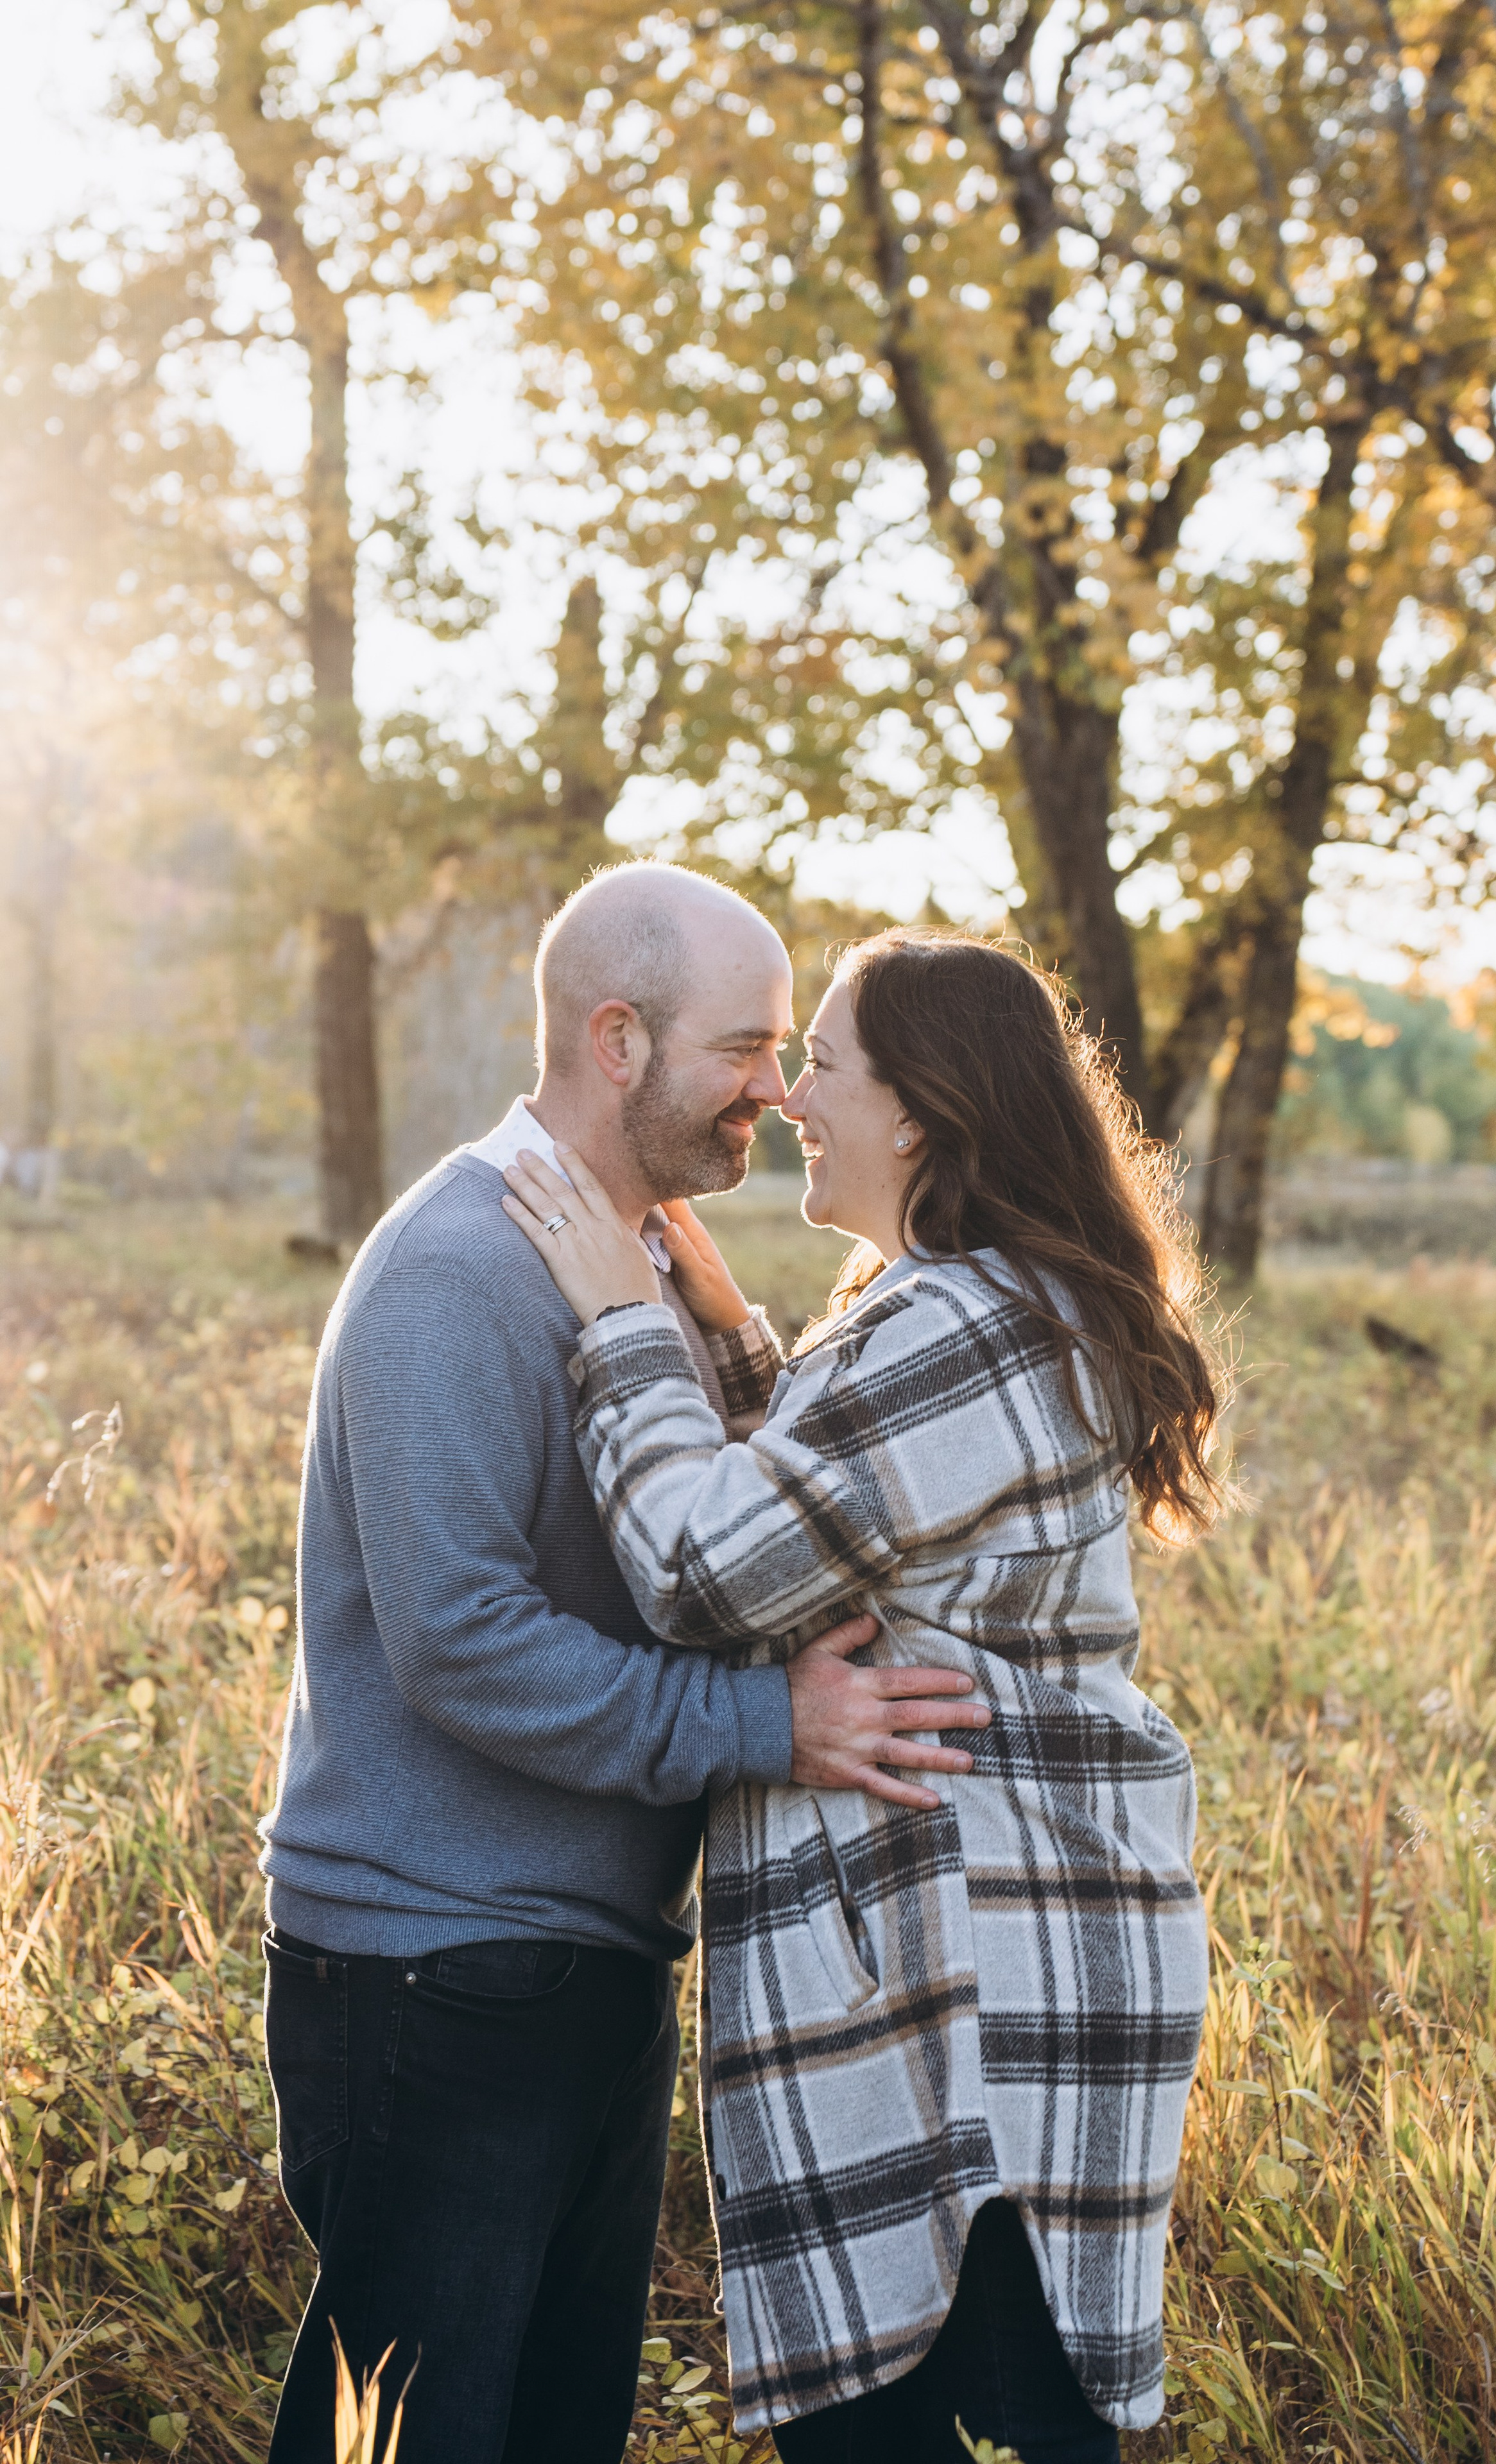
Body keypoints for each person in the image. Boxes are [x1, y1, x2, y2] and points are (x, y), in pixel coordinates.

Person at [256, 868, 990, 2464]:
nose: (778, 1092)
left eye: (789, 1051)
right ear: (615, 1041)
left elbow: (729, 1528)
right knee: (410, 2433)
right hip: (433, 1965)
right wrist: (763, 1725)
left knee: (550, 2428)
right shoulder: (455, 1270)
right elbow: (462, 1646)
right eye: (745, 1050)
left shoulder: (633, 1260)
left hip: (576, 1954)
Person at [503, 927, 1224, 2463]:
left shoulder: (960, 1320)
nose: (781, 1097)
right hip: (989, 1962)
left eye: (815, 1061)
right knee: (982, 2419)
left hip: (972, 1991)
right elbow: (865, 1528)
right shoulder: (969, 1306)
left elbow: (709, 1574)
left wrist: (619, 1325)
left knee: (918, 2431)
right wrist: (739, 1343)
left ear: (918, 1108)